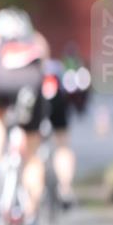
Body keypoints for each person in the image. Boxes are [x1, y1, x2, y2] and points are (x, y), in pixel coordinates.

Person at [0, 7, 50, 225]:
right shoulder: (37, 39)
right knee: (31, 155)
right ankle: (31, 214)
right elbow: (45, 71)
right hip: (31, 87)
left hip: (1, 84)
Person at [41, 59, 77, 209]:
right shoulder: (55, 67)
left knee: (30, 147)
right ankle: (65, 187)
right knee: (62, 145)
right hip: (58, 98)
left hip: (30, 96)